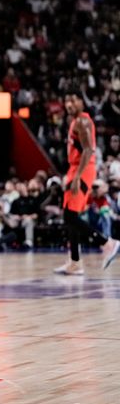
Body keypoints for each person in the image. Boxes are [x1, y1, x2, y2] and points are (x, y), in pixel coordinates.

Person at [54, 92, 120, 275]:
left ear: (81, 102)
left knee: (71, 216)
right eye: (66, 100)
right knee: (69, 215)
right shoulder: (75, 121)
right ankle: (75, 262)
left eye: (73, 100)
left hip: (82, 171)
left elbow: (89, 150)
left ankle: (108, 243)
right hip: (75, 170)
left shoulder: (82, 121)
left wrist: (76, 177)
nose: (69, 104)